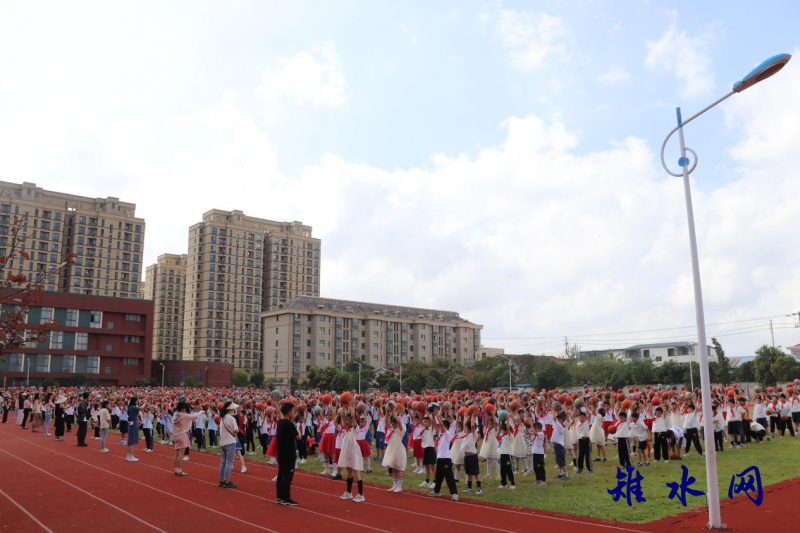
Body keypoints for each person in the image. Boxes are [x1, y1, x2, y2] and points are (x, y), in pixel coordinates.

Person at [337, 403, 366, 503]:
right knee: (349, 473)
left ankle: (361, 495)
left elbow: (353, 416)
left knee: (356, 473)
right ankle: (349, 493)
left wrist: (349, 405)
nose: (346, 421)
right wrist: (343, 407)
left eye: (348, 420)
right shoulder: (346, 429)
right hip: (347, 451)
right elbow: (342, 417)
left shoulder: (354, 427)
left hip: (354, 452)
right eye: (346, 420)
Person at [276, 401, 301, 506]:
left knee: (281, 474)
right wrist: (295, 424)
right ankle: (286, 498)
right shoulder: (289, 424)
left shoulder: (280, 422)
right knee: (287, 476)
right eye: (293, 411)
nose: (294, 413)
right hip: (288, 453)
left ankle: (279, 497)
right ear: (289, 412)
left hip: (281, 452)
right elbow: (299, 437)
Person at [171, 401, 202, 476]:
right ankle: (179, 471)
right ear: (183, 408)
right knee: (181, 454)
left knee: (176, 453)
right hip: (182, 434)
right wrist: (201, 411)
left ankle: (176, 470)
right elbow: (195, 416)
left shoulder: (175, 414)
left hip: (176, 435)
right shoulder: (183, 415)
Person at [381, 409, 407, 493]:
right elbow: (386, 422)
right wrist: (386, 413)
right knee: (393, 468)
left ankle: (399, 486)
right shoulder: (391, 429)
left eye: (394, 424)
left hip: (398, 450)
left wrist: (395, 414)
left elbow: (399, 422)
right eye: (392, 424)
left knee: (398, 468)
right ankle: (395, 485)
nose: (393, 425)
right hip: (391, 449)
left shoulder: (400, 430)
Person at [218, 401, 239, 489]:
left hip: (223, 442)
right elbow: (236, 430)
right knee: (229, 462)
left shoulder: (222, 417)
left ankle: (221, 480)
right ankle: (227, 481)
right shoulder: (231, 418)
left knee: (223, 462)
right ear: (231, 409)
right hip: (230, 442)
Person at [126, 397, 140, 462]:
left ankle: (128, 455)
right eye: (137, 401)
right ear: (134, 401)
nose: (138, 402)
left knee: (131, 440)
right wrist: (145, 403)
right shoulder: (133, 407)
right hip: (133, 424)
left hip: (132, 423)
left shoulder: (131, 407)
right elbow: (141, 408)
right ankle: (130, 455)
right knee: (132, 440)